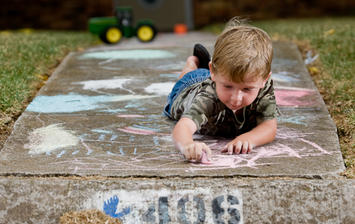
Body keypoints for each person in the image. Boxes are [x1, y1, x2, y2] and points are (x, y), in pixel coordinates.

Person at [163, 18, 278, 162]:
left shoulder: (263, 87)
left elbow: (269, 127)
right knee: (186, 78)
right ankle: (192, 63)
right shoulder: (208, 97)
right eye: (228, 87)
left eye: (247, 89)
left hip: (219, 76)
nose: (236, 98)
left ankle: (208, 66)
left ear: (264, 79)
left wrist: (248, 138)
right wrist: (187, 145)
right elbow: (183, 126)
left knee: (225, 76)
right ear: (213, 71)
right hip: (188, 86)